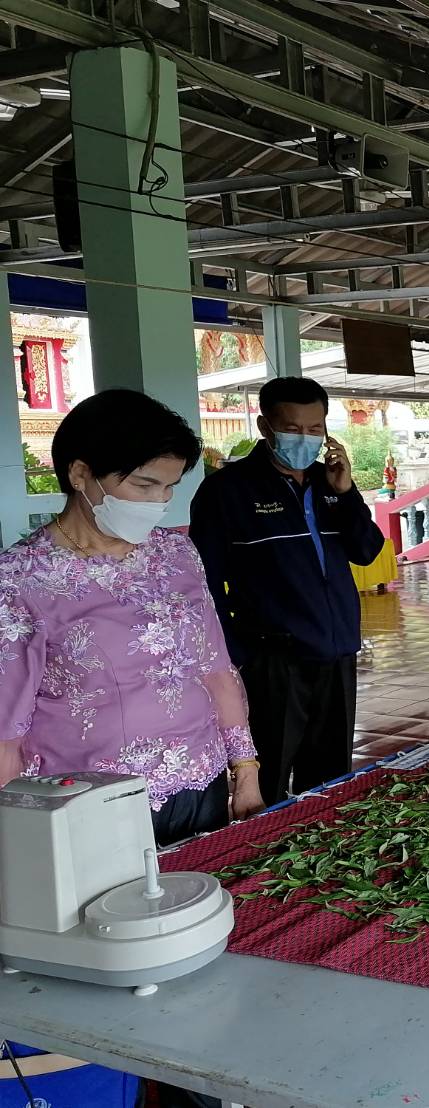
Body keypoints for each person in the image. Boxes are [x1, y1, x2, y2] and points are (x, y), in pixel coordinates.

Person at [0, 391, 261, 1108]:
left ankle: (215, 1089)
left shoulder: (175, 555)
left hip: (200, 789)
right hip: (95, 820)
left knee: (209, 959)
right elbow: (6, 722)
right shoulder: (21, 579)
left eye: (171, 486)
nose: (159, 502)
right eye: (145, 484)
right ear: (83, 474)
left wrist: (246, 769)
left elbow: (215, 665)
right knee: (126, 976)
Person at [190, 376, 384, 806]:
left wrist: (347, 492)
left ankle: (323, 854)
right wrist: (239, 655)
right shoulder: (229, 490)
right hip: (273, 660)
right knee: (269, 775)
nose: (305, 438)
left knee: (332, 779)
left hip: (336, 652)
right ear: (265, 426)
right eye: (293, 428)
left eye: (316, 429)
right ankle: (261, 863)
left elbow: (368, 551)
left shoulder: (329, 483)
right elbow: (204, 585)